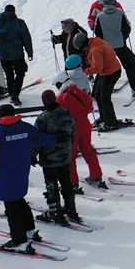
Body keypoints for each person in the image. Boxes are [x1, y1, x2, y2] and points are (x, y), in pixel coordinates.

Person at [0, 104, 55, 253]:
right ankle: (29, 230)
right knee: (19, 201)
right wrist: (59, 137)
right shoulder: (26, 128)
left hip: (5, 176)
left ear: (0, 116)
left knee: (12, 209)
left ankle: (19, 241)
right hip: (21, 173)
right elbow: (42, 139)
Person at [55, 57, 104, 191]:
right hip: (86, 124)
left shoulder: (61, 98)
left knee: (71, 158)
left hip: (72, 129)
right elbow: (89, 106)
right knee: (88, 151)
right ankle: (96, 175)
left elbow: (59, 117)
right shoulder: (77, 90)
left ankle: (73, 183)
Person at [34, 90, 79, 225]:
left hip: (49, 159)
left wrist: (32, 156)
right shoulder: (66, 113)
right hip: (65, 156)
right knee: (66, 182)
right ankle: (71, 209)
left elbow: (37, 140)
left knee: (51, 185)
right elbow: (73, 133)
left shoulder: (43, 118)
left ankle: (55, 211)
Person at [95, 0, 135, 96]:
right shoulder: (119, 13)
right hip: (120, 44)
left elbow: (97, 32)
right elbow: (127, 28)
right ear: (114, 1)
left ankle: (97, 91)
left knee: (104, 67)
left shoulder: (100, 16)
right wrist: (123, 37)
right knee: (129, 65)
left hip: (106, 47)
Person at [0, 4, 33, 106]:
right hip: (16, 54)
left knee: (9, 74)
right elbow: (26, 38)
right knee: (20, 73)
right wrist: (29, 52)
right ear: (14, 12)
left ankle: (11, 91)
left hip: (3, 55)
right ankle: (15, 95)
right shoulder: (19, 23)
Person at [79, 31, 123, 130]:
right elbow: (96, 60)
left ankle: (111, 122)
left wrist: (84, 71)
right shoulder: (94, 42)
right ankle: (104, 117)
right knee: (97, 94)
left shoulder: (95, 49)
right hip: (106, 71)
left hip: (111, 73)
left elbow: (97, 68)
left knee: (104, 98)